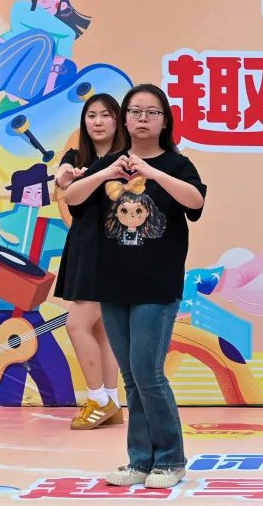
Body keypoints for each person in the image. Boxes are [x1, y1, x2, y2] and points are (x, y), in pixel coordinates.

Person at [64, 84, 206, 489]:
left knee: (148, 373)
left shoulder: (177, 165)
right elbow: (72, 197)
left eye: (152, 112)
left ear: (165, 121)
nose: (143, 118)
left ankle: (171, 459)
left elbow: (195, 202)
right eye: (135, 111)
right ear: (124, 119)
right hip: (112, 285)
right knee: (131, 375)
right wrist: (106, 172)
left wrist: (153, 172)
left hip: (157, 286)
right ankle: (140, 460)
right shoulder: (110, 164)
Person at [54, 94, 126, 429]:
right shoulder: (76, 157)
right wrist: (65, 175)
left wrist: (87, 178)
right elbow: (62, 179)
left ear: (118, 120)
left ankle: (98, 400)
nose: (97, 122)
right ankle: (111, 401)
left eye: (105, 115)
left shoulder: (127, 161)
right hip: (84, 244)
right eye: (91, 115)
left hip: (111, 249)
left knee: (77, 325)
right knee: (100, 329)